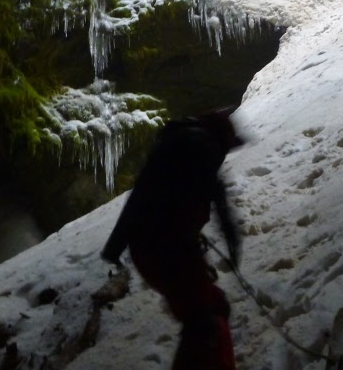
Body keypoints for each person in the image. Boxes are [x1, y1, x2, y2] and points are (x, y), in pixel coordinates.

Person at [101, 106, 245, 370]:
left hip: (151, 246)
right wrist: (232, 243)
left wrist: (115, 246)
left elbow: (143, 196)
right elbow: (215, 196)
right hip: (165, 248)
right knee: (207, 316)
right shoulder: (205, 146)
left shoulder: (179, 146)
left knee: (202, 316)